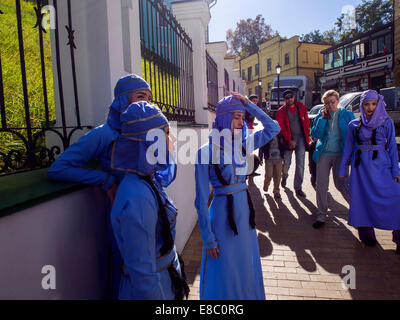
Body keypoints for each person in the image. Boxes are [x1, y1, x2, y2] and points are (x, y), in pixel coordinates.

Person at [47, 74, 176, 299]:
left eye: (148, 98)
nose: (145, 102)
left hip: (149, 204)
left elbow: (165, 173)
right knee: (127, 270)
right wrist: (105, 181)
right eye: (139, 96)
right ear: (121, 100)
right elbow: (59, 168)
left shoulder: (148, 130)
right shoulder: (103, 135)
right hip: (123, 209)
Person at [194, 92, 281, 300]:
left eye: (243, 118)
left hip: (245, 213)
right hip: (222, 216)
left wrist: (249, 105)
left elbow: (273, 127)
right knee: (225, 265)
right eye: (236, 117)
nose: (241, 122)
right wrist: (207, 238)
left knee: (244, 262)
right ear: (224, 118)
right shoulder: (205, 152)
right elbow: (200, 200)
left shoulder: (245, 144)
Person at [110, 101, 189, 299]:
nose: (171, 139)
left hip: (166, 281)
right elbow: (143, 274)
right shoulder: (137, 195)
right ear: (150, 142)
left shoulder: (147, 180)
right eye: (165, 133)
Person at [338, 90, 400, 253]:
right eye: (366, 104)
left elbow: (393, 148)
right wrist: (342, 168)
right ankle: (367, 237)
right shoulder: (354, 125)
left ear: (378, 104)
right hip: (360, 170)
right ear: (362, 105)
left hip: (382, 166)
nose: (370, 107)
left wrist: (396, 171)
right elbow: (348, 149)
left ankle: (399, 239)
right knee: (361, 201)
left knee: (395, 198)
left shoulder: (387, 122)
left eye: (373, 104)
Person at [311, 90, 355, 229]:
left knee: (341, 185)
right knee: (321, 185)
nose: (330, 105)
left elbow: (354, 136)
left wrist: (351, 155)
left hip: (341, 155)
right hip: (324, 153)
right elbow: (315, 135)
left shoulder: (347, 114)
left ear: (338, 101)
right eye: (327, 102)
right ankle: (321, 215)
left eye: (333, 101)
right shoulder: (321, 115)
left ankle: (357, 212)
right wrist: (323, 119)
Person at [276, 89, 310, 197]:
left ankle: (298, 187)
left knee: (300, 164)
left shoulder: (301, 107)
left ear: (294, 97)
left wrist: (307, 135)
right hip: (288, 139)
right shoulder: (281, 111)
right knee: (287, 163)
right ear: (284, 99)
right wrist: (289, 140)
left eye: (291, 97)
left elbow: (306, 122)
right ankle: (284, 176)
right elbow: (281, 128)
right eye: (287, 98)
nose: (289, 99)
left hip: (300, 138)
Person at [259, 113, 285, 199]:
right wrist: (260, 157)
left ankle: (276, 191)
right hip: (269, 159)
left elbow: (284, 147)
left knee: (278, 177)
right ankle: (266, 185)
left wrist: (284, 157)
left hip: (278, 159)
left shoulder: (281, 137)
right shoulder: (266, 136)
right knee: (269, 175)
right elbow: (261, 147)